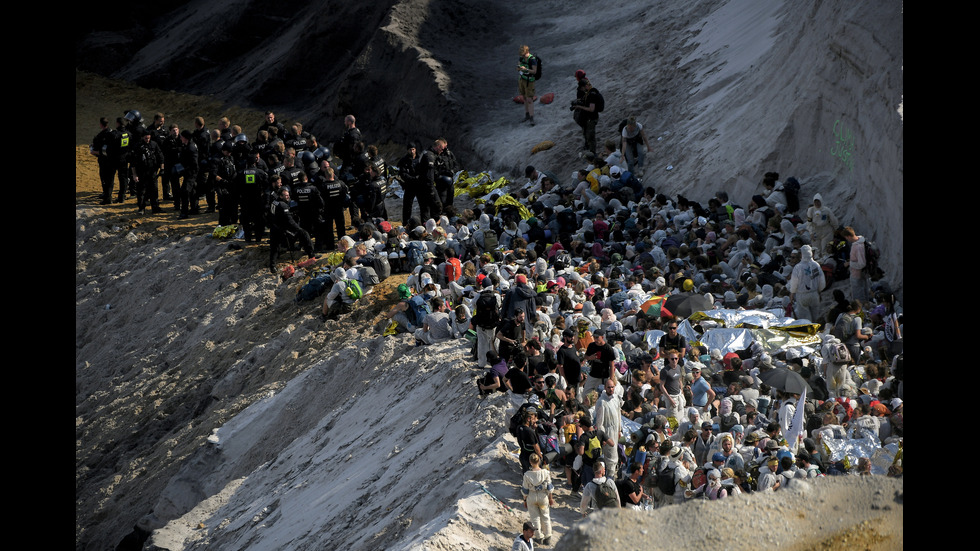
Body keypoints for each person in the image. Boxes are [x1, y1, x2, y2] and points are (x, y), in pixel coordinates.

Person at [268, 187, 316, 272]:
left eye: (288, 195)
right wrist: (299, 229)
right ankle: (311, 256)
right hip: (283, 229)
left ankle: (272, 266)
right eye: (286, 195)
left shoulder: (274, 202)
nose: (288, 197)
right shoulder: (283, 205)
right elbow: (290, 221)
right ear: (281, 196)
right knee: (304, 233)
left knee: (274, 248)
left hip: (274, 228)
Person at [521, 452, 554, 546]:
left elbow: (525, 490)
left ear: (530, 462)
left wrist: (524, 500)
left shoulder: (527, 474)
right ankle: (548, 537)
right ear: (539, 461)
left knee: (535, 518)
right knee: (545, 516)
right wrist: (550, 498)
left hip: (531, 496)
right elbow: (549, 487)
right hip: (543, 496)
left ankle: (539, 537)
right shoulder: (545, 472)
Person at [129, 131, 165, 214]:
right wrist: (134, 175)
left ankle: (155, 207)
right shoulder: (137, 147)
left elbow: (160, 157)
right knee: (141, 191)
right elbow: (133, 163)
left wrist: (162, 169)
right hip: (141, 172)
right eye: (146, 138)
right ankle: (141, 208)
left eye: (149, 138)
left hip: (152, 172)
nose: (147, 140)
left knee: (154, 190)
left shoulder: (154, 144)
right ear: (142, 137)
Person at [789, 244, 826, 321]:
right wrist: (818, 291)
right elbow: (822, 281)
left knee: (805, 319)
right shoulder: (816, 265)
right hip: (814, 293)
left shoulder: (798, 267)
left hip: (802, 295)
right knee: (815, 316)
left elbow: (794, 283)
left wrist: (792, 293)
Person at [572, 78, 602, 154]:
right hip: (587, 118)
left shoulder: (591, 94)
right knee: (587, 134)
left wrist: (579, 107)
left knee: (591, 137)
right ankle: (589, 148)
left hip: (591, 118)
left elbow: (591, 109)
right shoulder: (586, 92)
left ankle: (593, 153)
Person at [842, 226, 870, 302]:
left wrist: (849, 263)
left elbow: (861, 264)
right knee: (863, 291)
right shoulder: (861, 242)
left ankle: (862, 309)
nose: (846, 239)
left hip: (857, 275)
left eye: (846, 237)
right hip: (861, 273)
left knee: (859, 297)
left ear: (848, 236)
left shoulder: (857, 247)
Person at [517, 45, 538, 125]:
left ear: (526, 52)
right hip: (522, 79)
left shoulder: (532, 59)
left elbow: (534, 71)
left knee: (529, 99)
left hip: (529, 81)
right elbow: (518, 67)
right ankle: (527, 115)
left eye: (523, 54)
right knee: (524, 98)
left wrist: (526, 69)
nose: (522, 56)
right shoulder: (521, 58)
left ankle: (531, 117)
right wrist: (520, 68)